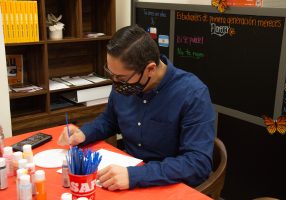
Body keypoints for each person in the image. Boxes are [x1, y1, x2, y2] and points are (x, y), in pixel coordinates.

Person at [58, 25, 215, 191]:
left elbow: (198, 163)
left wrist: (135, 176)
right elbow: (110, 120)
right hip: (126, 175)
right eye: (111, 74)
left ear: (150, 69)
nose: (115, 82)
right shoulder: (124, 84)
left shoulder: (193, 94)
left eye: (121, 77)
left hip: (166, 185)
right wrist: (83, 133)